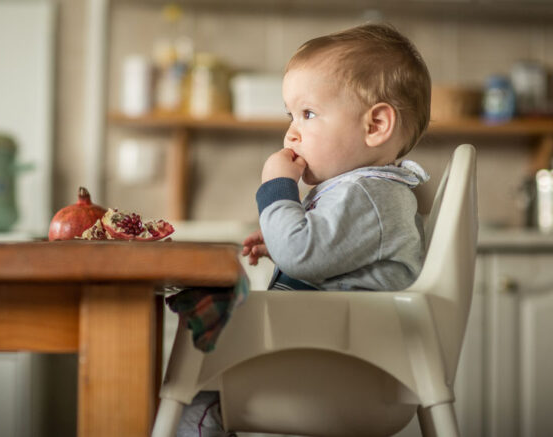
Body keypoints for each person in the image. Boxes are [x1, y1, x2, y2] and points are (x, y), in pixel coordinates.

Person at [175, 22, 432, 436]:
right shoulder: (368, 193)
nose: (290, 132)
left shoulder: (365, 193)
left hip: (345, 373)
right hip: (341, 360)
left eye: (308, 114)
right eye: (290, 115)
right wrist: (285, 242)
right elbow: (320, 256)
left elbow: (303, 254)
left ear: (375, 126)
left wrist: (276, 190)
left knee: (192, 394)